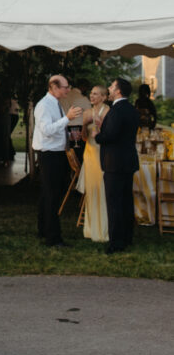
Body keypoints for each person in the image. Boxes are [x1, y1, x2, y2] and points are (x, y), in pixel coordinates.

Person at [32, 75, 83, 247]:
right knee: (52, 195)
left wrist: (69, 132)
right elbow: (47, 130)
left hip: (57, 152)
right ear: (54, 87)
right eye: (65, 87)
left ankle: (43, 229)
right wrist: (67, 118)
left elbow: (57, 127)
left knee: (49, 194)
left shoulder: (55, 103)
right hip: (49, 154)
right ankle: (53, 237)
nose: (68, 90)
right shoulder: (44, 106)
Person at [95, 78, 140, 254]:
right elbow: (122, 132)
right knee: (126, 201)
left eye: (112, 87)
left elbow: (111, 136)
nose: (109, 89)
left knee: (114, 203)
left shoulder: (116, 110)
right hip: (128, 160)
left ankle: (116, 243)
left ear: (118, 91)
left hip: (114, 162)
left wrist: (98, 135)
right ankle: (127, 237)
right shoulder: (131, 110)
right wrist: (104, 127)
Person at [77, 85, 110, 242]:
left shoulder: (109, 112)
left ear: (103, 97)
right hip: (90, 154)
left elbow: (111, 134)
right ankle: (91, 228)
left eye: (95, 94)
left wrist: (100, 123)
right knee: (92, 190)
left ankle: (104, 228)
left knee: (103, 189)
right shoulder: (87, 112)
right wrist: (84, 125)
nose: (92, 96)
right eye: (91, 93)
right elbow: (84, 137)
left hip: (104, 154)